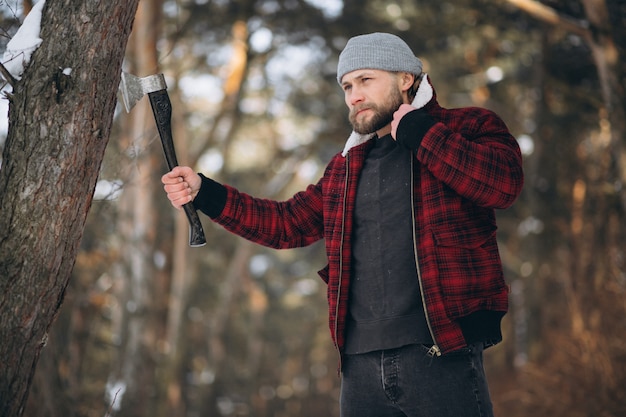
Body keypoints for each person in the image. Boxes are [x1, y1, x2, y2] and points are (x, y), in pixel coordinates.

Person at [162, 32, 524, 417]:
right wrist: (205, 193)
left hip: (442, 350)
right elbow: (286, 224)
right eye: (347, 86)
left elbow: (502, 185)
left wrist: (422, 134)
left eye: (366, 80)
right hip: (359, 367)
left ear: (406, 78)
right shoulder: (346, 167)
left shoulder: (469, 126)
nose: (353, 96)